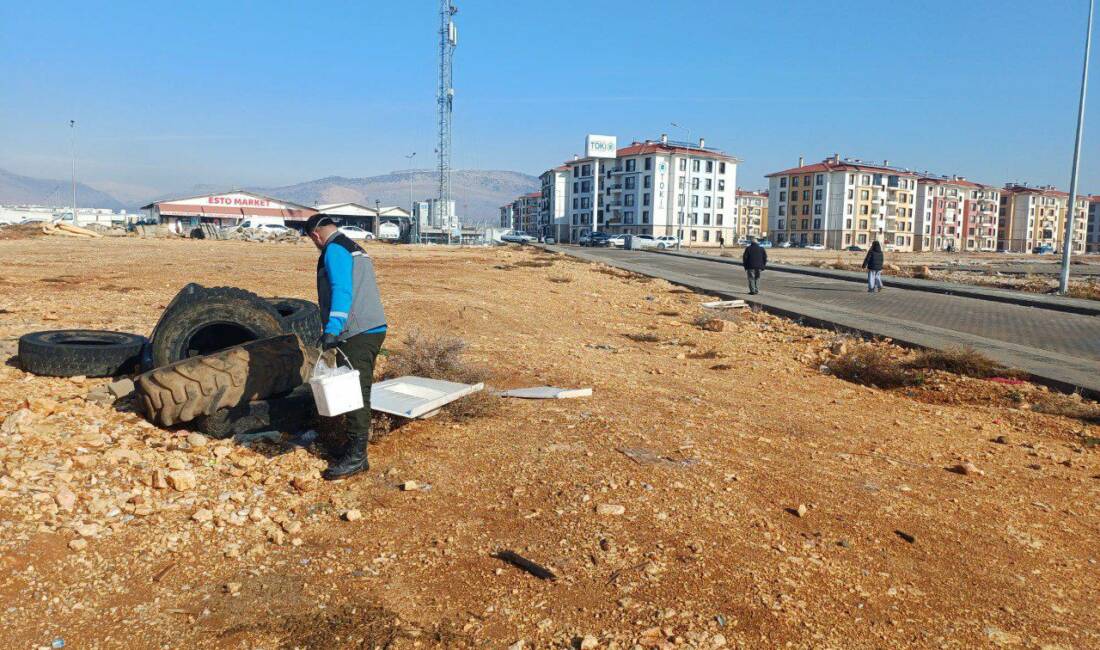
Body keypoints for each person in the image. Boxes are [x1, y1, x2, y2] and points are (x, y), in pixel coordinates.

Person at [304, 215, 388, 481]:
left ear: (315, 236)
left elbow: (342, 290)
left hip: (358, 332)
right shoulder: (353, 246)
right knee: (355, 390)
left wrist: (332, 329)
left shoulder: (335, 249)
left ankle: (356, 457)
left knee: (355, 393)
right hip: (370, 327)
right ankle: (352, 447)